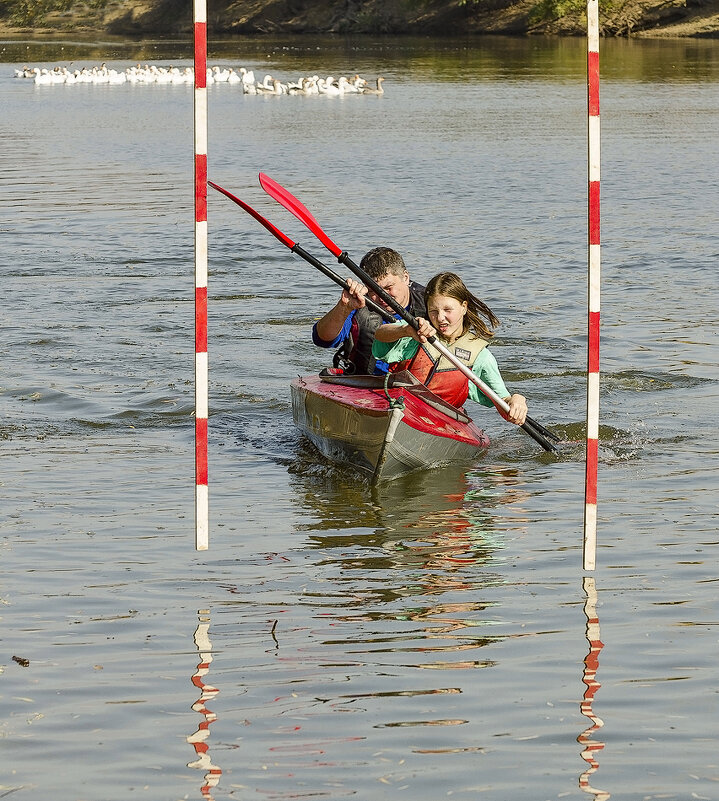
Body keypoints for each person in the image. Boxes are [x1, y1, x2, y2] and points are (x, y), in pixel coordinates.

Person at [371, 271, 528, 426]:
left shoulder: (480, 357)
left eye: (447, 310)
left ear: (464, 307)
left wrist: (517, 399)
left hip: (444, 422)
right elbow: (380, 334)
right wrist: (405, 330)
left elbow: (503, 403)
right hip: (403, 409)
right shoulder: (417, 332)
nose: (440, 318)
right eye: (433, 311)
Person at [311, 247, 426, 375]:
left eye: (388, 288)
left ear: (405, 277)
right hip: (366, 382)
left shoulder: (431, 302)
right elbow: (322, 339)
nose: (382, 297)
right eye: (372, 290)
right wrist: (343, 307)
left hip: (419, 381)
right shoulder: (357, 304)